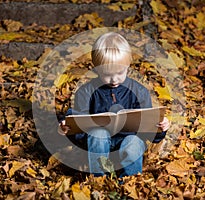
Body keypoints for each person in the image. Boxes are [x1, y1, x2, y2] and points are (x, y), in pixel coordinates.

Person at [58, 32, 170, 177]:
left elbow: (148, 131)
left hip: (129, 141)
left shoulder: (139, 91)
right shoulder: (86, 91)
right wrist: (67, 128)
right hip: (96, 146)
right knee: (98, 134)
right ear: (96, 69)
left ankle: (131, 182)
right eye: (107, 74)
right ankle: (98, 180)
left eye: (120, 72)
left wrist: (160, 128)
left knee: (133, 143)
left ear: (128, 65)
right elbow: (79, 130)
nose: (114, 79)